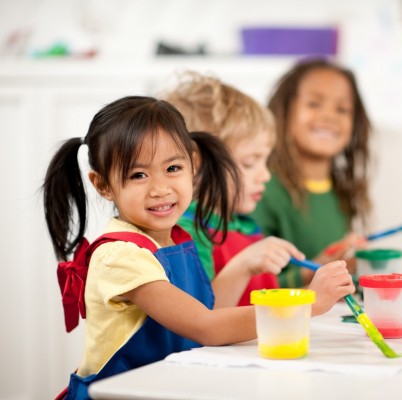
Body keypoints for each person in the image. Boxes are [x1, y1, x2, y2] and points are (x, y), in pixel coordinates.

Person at [43, 96, 354, 400]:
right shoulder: (121, 255)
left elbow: (209, 312)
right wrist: (307, 305)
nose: (160, 188)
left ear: (191, 165)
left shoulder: (176, 237)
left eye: (173, 168)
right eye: (138, 175)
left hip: (170, 386)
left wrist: (245, 268)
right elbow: (206, 327)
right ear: (102, 185)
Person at [161, 72, 353, 307]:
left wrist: (317, 292)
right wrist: (244, 265)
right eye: (250, 162)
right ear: (196, 165)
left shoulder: (245, 226)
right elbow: (199, 319)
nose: (265, 175)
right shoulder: (187, 233)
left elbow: (260, 310)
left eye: (265, 161)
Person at [251, 58, 373, 288]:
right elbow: (250, 290)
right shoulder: (262, 190)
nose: (329, 116)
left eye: (342, 109)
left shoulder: (341, 190)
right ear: (284, 113)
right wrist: (318, 268)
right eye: (314, 104)